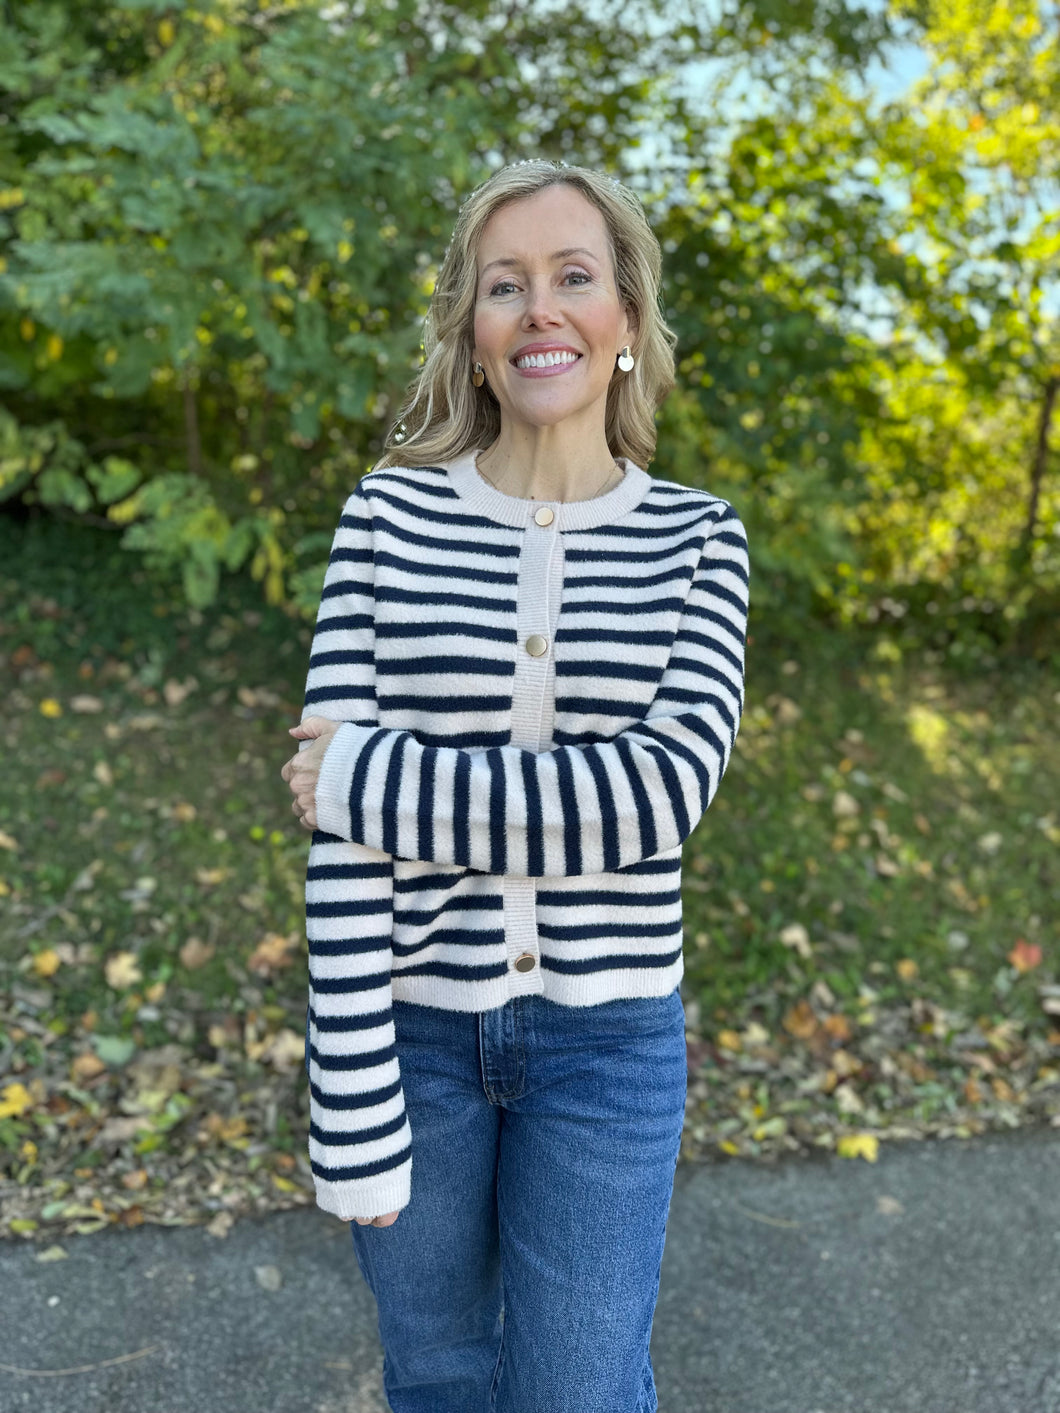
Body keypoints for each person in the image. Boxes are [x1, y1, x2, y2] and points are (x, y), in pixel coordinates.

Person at [280, 159, 749, 1413]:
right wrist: (353, 1103)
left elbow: (657, 798)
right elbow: (337, 853)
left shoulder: (702, 540)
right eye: (506, 286)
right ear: (475, 338)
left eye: (573, 278)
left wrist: (370, 774)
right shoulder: (383, 520)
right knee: (434, 1374)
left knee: (578, 1391)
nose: (540, 308)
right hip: (411, 1037)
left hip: (610, 1047)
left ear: (626, 327)